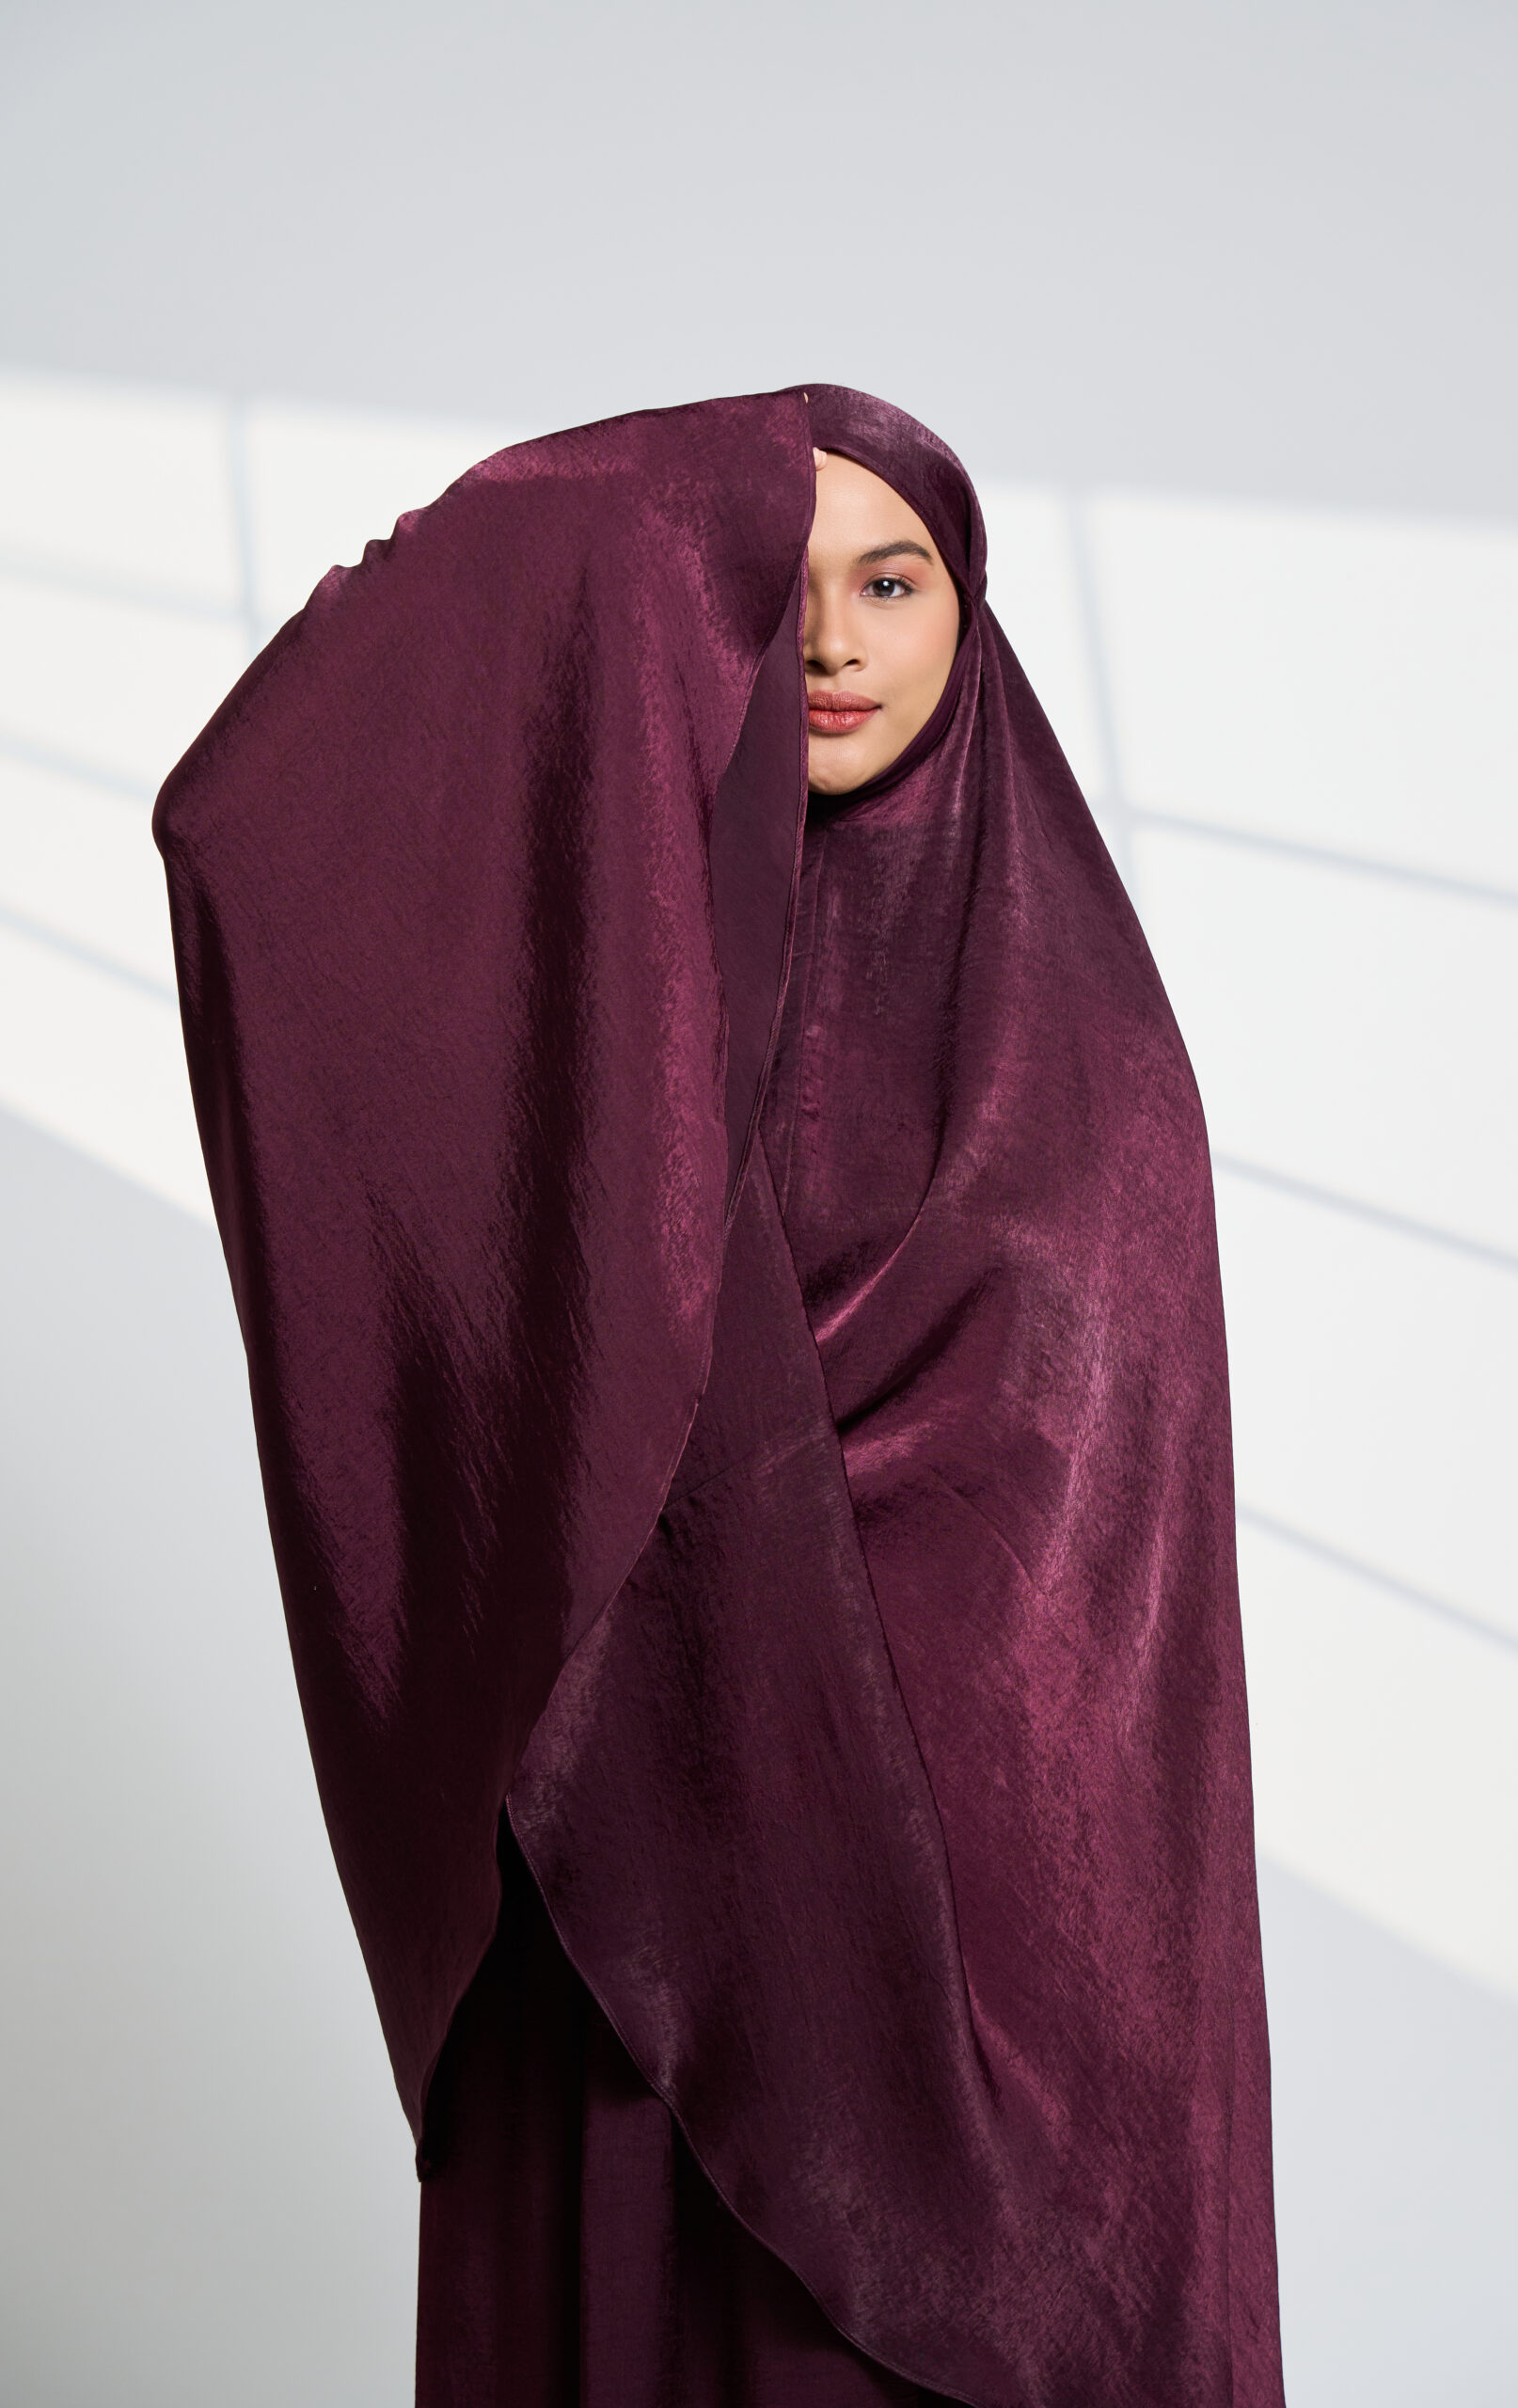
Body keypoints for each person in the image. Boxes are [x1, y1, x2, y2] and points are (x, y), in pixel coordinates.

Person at [155, 386, 1285, 2408]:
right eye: (771, 585)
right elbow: (244, 814)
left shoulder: (1088, 1068)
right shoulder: (604, 1033)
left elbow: (1109, 1649)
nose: (833, 642)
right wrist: (644, 510)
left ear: (971, 612)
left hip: (987, 1952)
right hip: (638, 1857)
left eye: (891, 583)